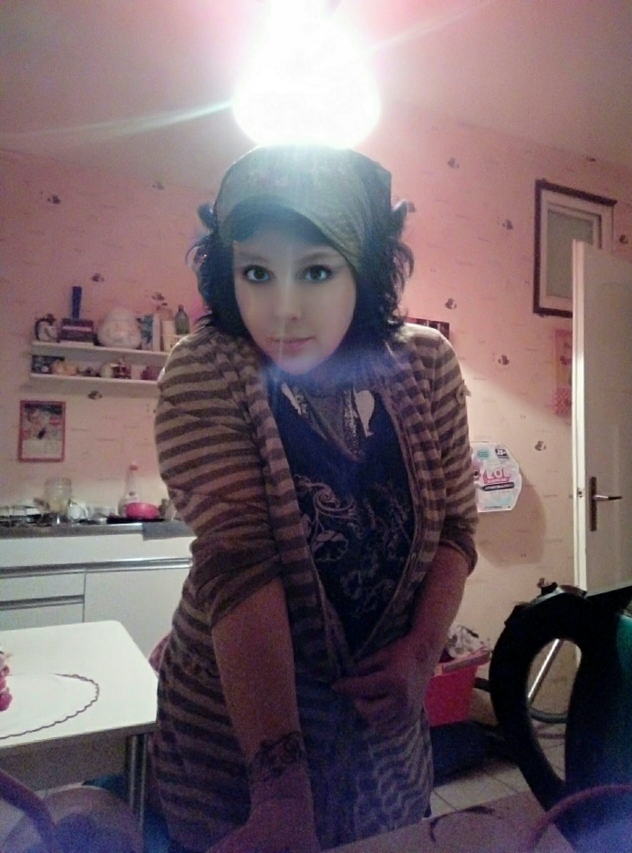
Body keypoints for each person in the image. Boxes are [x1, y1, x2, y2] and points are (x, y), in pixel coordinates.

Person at [152, 144, 478, 853]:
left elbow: (456, 527)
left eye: (318, 270)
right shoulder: (205, 368)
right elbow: (239, 564)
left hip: (385, 753)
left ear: (366, 268)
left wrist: (421, 654)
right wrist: (279, 794)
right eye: (256, 272)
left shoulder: (427, 365)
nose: (284, 309)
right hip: (236, 754)